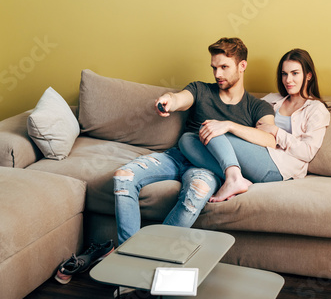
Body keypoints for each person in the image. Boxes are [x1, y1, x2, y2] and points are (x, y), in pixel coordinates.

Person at [113, 37, 276, 245]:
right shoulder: (201, 89)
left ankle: (151, 253)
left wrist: (228, 125)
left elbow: (270, 140)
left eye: (224, 67)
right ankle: (127, 253)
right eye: (214, 68)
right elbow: (180, 99)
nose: (218, 74)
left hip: (208, 168)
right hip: (177, 156)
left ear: (242, 66)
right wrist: (169, 100)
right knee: (123, 177)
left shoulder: (258, 107)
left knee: (197, 192)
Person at [178, 48, 331, 202]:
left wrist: (276, 132)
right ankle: (235, 179)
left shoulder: (316, 109)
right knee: (187, 140)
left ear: (308, 75)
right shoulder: (272, 100)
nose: (288, 80)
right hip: (253, 155)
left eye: (295, 73)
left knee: (213, 129)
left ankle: (233, 179)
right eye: (284, 74)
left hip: (280, 167)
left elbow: (308, 152)